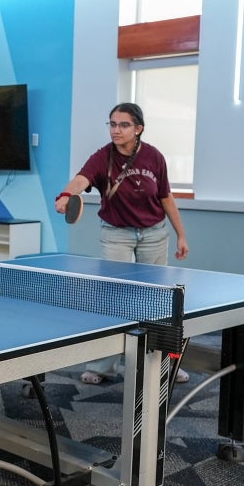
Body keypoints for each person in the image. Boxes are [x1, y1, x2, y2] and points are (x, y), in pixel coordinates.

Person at [55, 102, 191, 385]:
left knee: (158, 300)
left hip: (153, 233)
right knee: (113, 297)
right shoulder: (103, 157)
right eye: (113, 124)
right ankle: (103, 366)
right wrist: (66, 193)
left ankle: (164, 363)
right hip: (116, 232)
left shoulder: (154, 157)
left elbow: (165, 197)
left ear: (138, 128)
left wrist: (181, 234)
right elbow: (82, 178)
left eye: (124, 125)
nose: (116, 130)